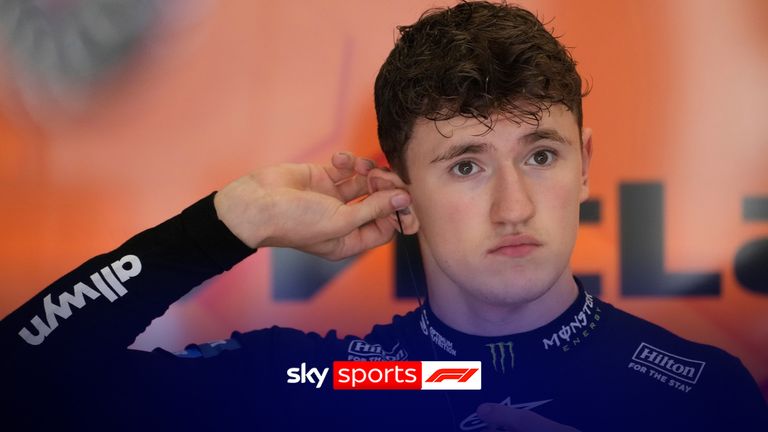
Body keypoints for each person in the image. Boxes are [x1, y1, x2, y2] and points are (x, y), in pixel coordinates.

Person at [2, 2, 766, 431]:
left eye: (540, 156)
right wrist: (225, 223)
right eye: (466, 165)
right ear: (401, 187)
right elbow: (21, 382)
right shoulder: (310, 381)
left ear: (587, 161)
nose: (514, 207)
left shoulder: (704, 393)